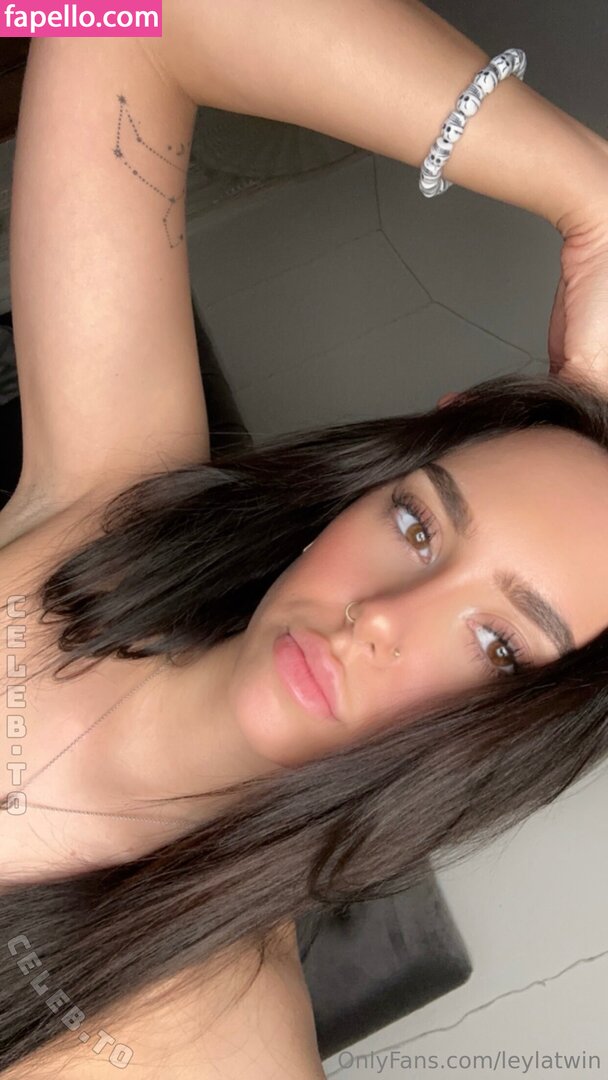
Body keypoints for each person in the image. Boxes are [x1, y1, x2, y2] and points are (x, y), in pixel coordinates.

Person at [0, 2, 607, 1077]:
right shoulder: (103, 508)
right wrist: (589, 195)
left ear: (517, 740)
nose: (379, 621)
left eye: (499, 645)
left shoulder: (210, 1048)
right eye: (417, 525)